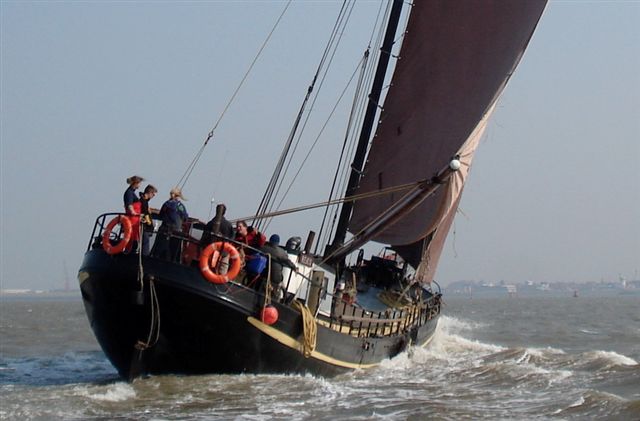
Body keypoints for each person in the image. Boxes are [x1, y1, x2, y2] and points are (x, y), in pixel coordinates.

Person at [153, 187, 189, 262]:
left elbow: (161, 215)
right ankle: (173, 260)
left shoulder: (166, 204)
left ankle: (156, 258)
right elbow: (185, 217)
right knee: (173, 250)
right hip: (176, 230)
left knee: (159, 248)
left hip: (164, 228)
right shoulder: (180, 206)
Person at [259, 234, 297, 299]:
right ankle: (285, 294)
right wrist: (294, 267)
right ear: (278, 243)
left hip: (262, 273)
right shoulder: (281, 252)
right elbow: (287, 261)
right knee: (279, 278)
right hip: (275, 277)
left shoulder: (263, 248)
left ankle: (285, 293)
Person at [137, 184, 157, 255]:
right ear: (150, 193)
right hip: (144, 228)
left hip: (145, 228)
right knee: (145, 244)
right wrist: (149, 222)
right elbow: (145, 213)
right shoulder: (143, 202)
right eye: (153, 194)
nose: (153, 196)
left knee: (144, 243)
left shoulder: (144, 201)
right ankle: (144, 256)